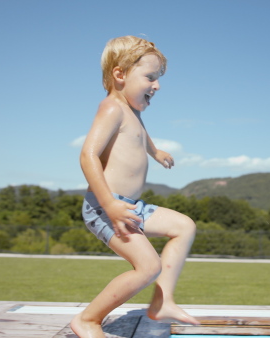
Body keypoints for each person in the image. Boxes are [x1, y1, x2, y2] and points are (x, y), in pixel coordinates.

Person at [70, 36, 200, 338]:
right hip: (106, 205)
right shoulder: (111, 108)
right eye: (150, 77)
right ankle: (88, 319)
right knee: (147, 266)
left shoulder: (133, 112)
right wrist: (111, 205)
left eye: (158, 78)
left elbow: (141, 135)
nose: (157, 85)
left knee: (184, 226)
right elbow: (87, 155)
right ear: (120, 75)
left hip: (129, 204)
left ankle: (161, 302)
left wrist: (156, 152)